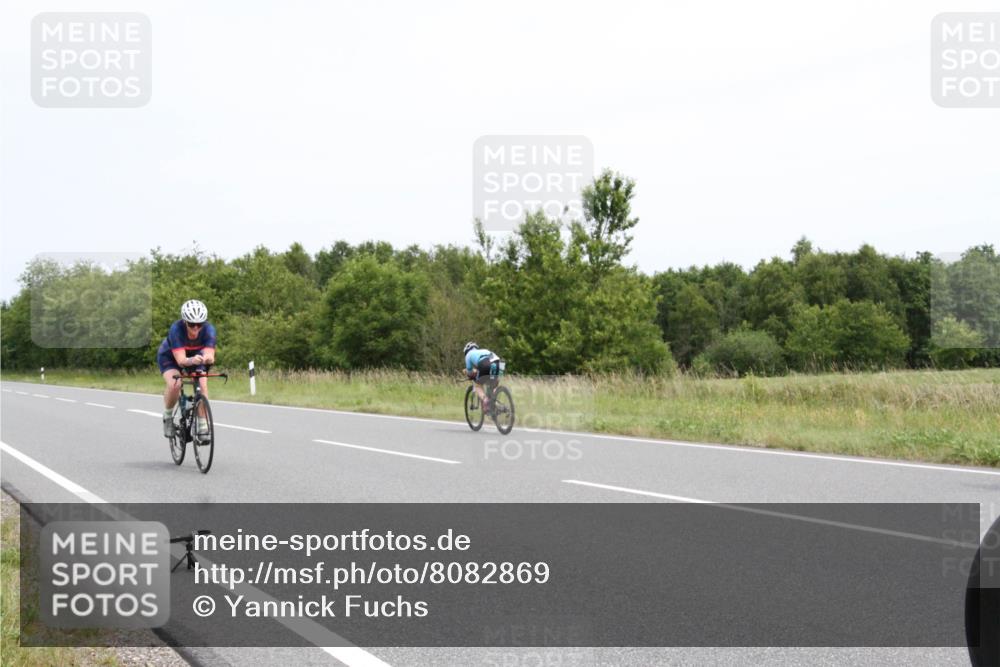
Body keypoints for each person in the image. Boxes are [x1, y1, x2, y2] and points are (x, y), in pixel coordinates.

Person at [157, 300, 216, 438]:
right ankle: (168, 417)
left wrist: (208, 358)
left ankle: (202, 424)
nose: (196, 328)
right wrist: (191, 360)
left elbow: (209, 354)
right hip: (171, 357)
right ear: (184, 322)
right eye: (191, 324)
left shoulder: (209, 329)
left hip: (197, 357)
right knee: (175, 384)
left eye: (199, 324)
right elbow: (181, 361)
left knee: (202, 385)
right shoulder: (176, 329)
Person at [463, 342, 500, 411]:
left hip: (485, 363)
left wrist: (470, 374)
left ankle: (486, 401)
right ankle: (495, 402)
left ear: (466, 351)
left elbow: (470, 372)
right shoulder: (484, 351)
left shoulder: (468, 355)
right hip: (497, 362)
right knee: (493, 383)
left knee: (477, 386)